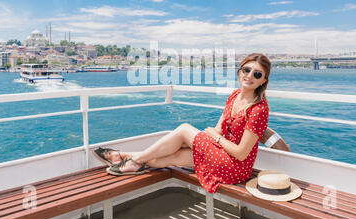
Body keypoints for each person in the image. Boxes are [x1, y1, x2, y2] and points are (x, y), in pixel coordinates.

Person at [94, 53, 288, 193]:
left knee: (184, 129)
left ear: (263, 81)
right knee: (172, 156)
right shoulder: (235, 95)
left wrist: (216, 138)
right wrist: (215, 135)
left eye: (257, 74)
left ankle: (130, 159)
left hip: (235, 167)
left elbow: (241, 152)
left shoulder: (259, 109)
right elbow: (220, 127)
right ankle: (128, 160)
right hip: (221, 155)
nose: (250, 76)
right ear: (240, 71)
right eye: (247, 70)